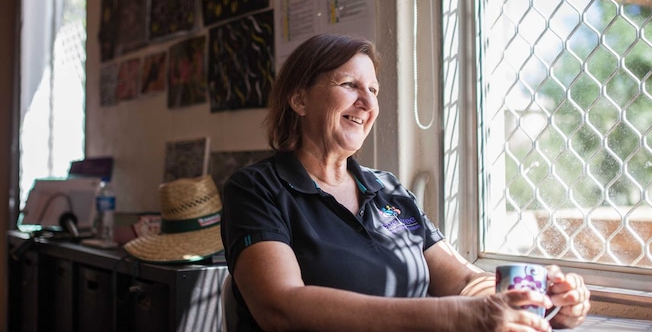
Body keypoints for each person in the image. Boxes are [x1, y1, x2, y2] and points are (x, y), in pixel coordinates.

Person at [220, 33, 590, 332]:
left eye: (374, 90)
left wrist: (536, 304)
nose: (367, 103)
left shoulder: (387, 190)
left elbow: (462, 282)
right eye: (350, 85)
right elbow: (279, 308)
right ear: (299, 99)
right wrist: (460, 317)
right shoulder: (256, 189)